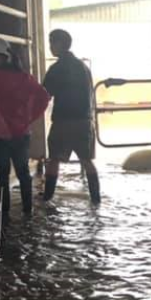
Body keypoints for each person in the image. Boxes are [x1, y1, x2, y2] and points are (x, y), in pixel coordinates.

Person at [0, 38, 49, 219]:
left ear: (2, 57)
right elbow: (43, 97)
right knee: (23, 172)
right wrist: (30, 117)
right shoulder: (24, 78)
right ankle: (28, 210)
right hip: (21, 132)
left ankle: (4, 213)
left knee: (2, 175)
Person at [42, 29, 101, 205]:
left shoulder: (56, 69)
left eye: (52, 42)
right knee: (86, 160)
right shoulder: (83, 67)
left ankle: (47, 199)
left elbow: (44, 94)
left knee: (54, 159)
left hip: (63, 121)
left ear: (60, 44)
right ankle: (96, 199)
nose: (50, 46)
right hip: (84, 121)